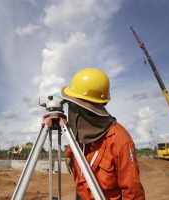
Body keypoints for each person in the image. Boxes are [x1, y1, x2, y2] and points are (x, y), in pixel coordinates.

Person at [62, 68, 145, 200]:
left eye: (72, 104)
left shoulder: (120, 139)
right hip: (81, 195)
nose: (71, 110)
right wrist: (69, 153)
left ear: (82, 108)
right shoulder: (81, 129)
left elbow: (133, 190)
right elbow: (76, 135)